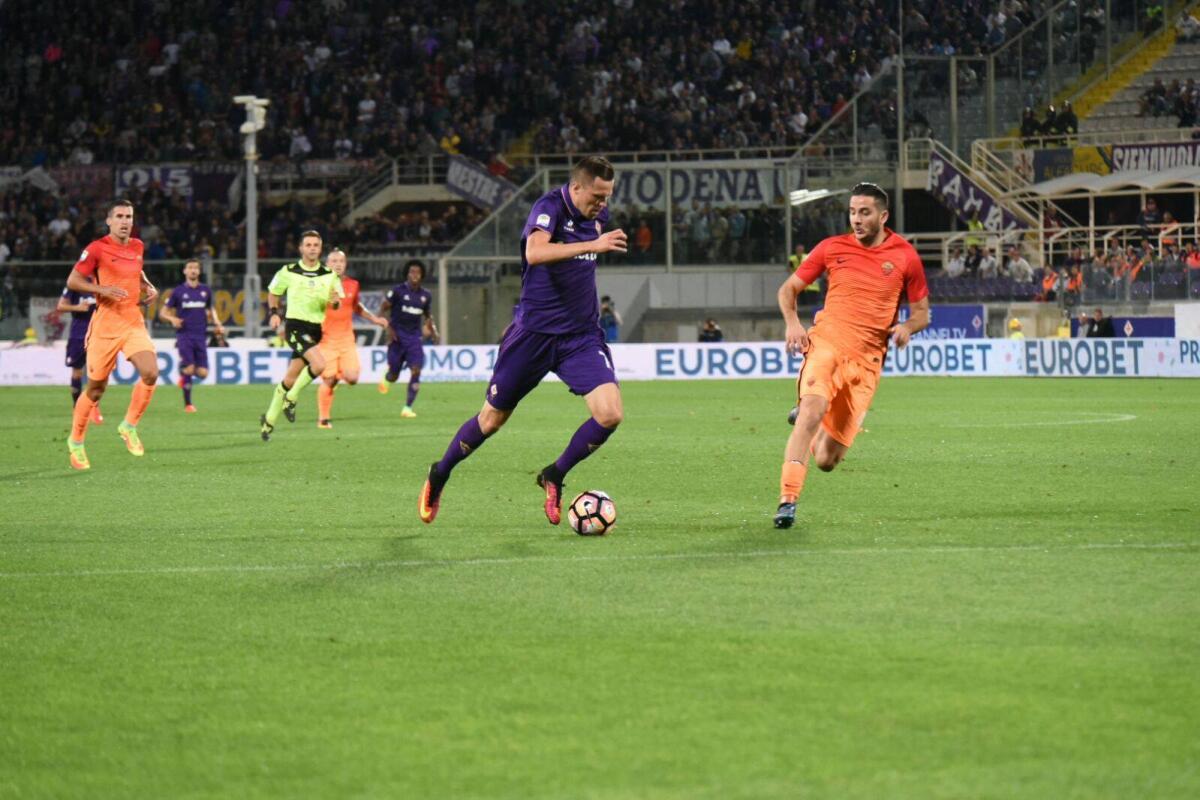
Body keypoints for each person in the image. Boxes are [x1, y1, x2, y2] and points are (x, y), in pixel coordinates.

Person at [418, 156, 628, 525]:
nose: (602, 204)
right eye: (597, 195)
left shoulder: (598, 218)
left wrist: (593, 238)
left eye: (607, 196)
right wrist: (591, 243)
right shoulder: (549, 207)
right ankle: (441, 472)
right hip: (532, 336)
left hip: (580, 336)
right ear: (576, 187)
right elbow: (535, 252)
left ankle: (554, 475)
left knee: (610, 414)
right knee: (491, 420)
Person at [773, 182, 929, 529]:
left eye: (864, 212)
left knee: (827, 459)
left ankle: (809, 421)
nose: (856, 219)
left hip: (868, 362)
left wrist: (907, 327)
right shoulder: (831, 248)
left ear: (883, 216)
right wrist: (793, 323)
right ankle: (788, 500)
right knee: (813, 410)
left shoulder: (905, 256)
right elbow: (789, 289)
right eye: (852, 212)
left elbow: (922, 313)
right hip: (827, 343)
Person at [63, 199, 160, 470]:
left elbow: (136, 271)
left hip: (131, 321)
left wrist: (148, 286)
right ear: (109, 221)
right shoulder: (96, 249)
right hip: (105, 326)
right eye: (119, 216)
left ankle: (128, 426)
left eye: (129, 216)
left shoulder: (138, 246)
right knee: (95, 389)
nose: (125, 221)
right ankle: (76, 441)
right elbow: (73, 281)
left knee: (150, 372)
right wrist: (102, 290)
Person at [259, 230, 344, 441]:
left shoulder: (329, 275)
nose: (312, 248)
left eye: (316, 245)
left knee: (290, 377)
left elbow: (336, 302)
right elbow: (273, 293)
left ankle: (268, 421)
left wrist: (334, 301)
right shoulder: (288, 271)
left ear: (320, 248)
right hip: (296, 327)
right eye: (308, 244)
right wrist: (274, 313)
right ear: (301, 248)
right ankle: (292, 398)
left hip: (316, 329)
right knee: (319, 364)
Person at [315, 248, 388, 428]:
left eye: (341, 261)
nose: (337, 264)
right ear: (327, 264)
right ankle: (323, 419)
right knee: (328, 380)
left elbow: (357, 306)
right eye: (333, 261)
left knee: (353, 378)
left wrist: (375, 319)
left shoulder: (353, 284)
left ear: (345, 265)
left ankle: (336, 376)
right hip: (326, 340)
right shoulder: (317, 284)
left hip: (347, 340)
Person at [159, 259, 224, 412]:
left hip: (201, 336)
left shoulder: (205, 291)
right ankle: (188, 404)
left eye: (196, 268)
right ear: (185, 271)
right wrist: (172, 319)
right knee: (189, 369)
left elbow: (210, 309)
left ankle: (183, 371)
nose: (193, 270)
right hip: (184, 335)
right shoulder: (178, 291)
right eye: (190, 268)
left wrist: (218, 323)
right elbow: (162, 313)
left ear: (199, 271)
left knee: (203, 373)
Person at [378, 259, 438, 418]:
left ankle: (407, 408)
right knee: (394, 375)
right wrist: (388, 328)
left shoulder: (426, 295)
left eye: (418, 272)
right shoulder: (398, 291)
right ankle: (388, 376)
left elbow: (427, 315)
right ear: (407, 274)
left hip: (414, 338)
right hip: (397, 338)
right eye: (412, 272)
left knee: (416, 370)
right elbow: (383, 309)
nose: (415, 275)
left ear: (422, 275)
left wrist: (434, 331)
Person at [56, 280, 103, 423]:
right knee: (77, 372)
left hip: (98, 334)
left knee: (97, 372)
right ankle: (77, 406)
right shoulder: (75, 284)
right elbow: (60, 306)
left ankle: (93, 407)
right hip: (78, 335)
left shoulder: (102, 282)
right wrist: (78, 307)